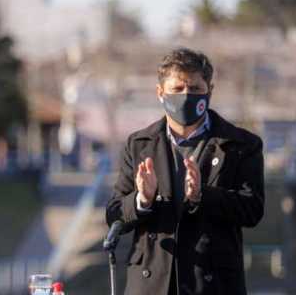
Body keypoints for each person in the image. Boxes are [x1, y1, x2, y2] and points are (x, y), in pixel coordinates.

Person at [106, 47, 264, 294]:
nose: (186, 96)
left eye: (195, 89)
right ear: (160, 93)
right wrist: (142, 200)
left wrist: (203, 195)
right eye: (177, 89)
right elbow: (114, 214)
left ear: (209, 91)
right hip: (152, 283)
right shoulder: (138, 145)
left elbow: (252, 209)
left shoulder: (241, 145)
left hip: (213, 283)